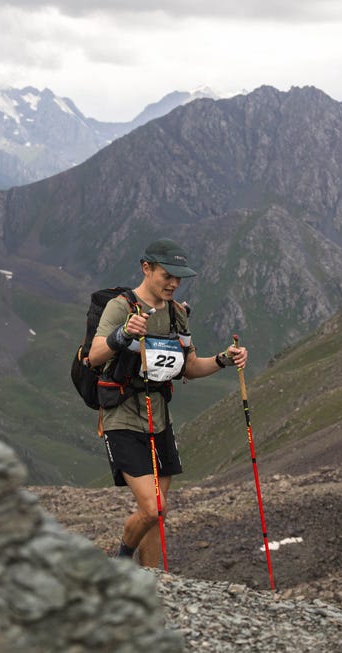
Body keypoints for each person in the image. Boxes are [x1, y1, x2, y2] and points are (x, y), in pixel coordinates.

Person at [88, 238, 248, 567]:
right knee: (153, 507)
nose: (174, 283)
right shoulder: (121, 307)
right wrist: (123, 335)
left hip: (159, 420)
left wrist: (223, 360)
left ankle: (154, 579)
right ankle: (120, 563)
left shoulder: (177, 316)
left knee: (155, 514)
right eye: (167, 275)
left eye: (179, 277)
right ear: (146, 269)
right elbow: (94, 355)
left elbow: (189, 367)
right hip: (122, 417)